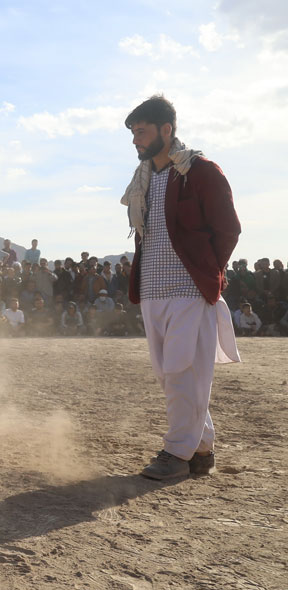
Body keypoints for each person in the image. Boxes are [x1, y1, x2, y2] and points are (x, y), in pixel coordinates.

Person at [121, 95, 241, 480]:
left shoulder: (201, 171)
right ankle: (201, 450)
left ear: (166, 130)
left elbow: (228, 230)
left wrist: (207, 273)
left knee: (181, 373)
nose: (136, 140)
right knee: (169, 375)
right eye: (134, 133)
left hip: (189, 291)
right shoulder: (143, 180)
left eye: (142, 131)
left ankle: (176, 453)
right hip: (152, 291)